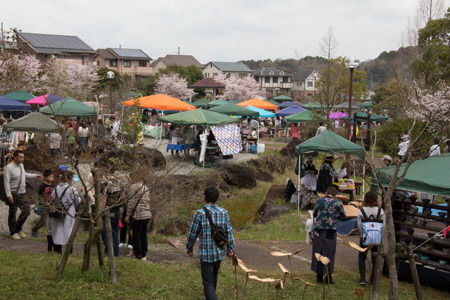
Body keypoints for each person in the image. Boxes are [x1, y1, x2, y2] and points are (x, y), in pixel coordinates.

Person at [186, 187, 235, 300]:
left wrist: (189, 248)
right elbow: (229, 232)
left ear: (204, 197)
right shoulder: (224, 212)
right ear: (217, 198)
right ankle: (211, 295)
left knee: (208, 282)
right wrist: (230, 248)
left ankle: (211, 296)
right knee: (213, 276)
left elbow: (192, 234)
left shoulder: (199, 213)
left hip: (206, 253)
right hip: (219, 251)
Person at [4, 150, 43, 239]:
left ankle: (18, 227)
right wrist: (8, 195)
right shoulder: (9, 168)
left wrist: (34, 176)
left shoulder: (21, 165)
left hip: (22, 192)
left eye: (23, 157)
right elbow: (6, 182)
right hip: (13, 192)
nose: (22, 159)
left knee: (26, 210)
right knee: (13, 212)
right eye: (21, 157)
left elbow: (23, 174)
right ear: (15, 157)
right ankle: (13, 231)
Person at [311, 186, 346, 284]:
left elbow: (314, 214)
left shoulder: (319, 201)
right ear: (335, 195)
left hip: (318, 230)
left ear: (326, 193)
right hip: (330, 231)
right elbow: (344, 216)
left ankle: (318, 275)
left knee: (318, 251)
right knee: (329, 253)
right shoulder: (338, 203)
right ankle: (328, 276)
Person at [49, 171, 81, 253]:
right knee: (68, 231)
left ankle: (57, 250)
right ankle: (68, 251)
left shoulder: (56, 188)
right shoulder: (71, 189)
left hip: (57, 211)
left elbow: (52, 198)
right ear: (69, 179)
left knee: (57, 230)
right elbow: (77, 201)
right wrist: (79, 193)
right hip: (69, 212)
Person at [357, 191, 385, 285]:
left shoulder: (362, 210)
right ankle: (373, 279)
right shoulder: (380, 211)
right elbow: (383, 225)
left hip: (365, 238)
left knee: (362, 257)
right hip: (377, 239)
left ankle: (362, 279)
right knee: (375, 259)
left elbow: (359, 225)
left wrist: (363, 234)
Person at [125, 174, 152, 261]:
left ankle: (139, 254)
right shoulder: (145, 187)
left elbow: (131, 202)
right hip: (147, 214)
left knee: (136, 235)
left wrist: (128, 214)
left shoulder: (133, 187)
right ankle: (144, 252)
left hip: (138, 215)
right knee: (143, 234)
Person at [31, 169, 55, 238]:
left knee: (52, 219)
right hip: (44, 205)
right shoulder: (42, 186)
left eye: (52, 177)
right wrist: (42, 203)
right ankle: (34, 229)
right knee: (44, 219)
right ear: (45, 178)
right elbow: (39, 196)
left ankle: (51, 232)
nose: (52, 178)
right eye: (50, 177)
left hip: (51, 205)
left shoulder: (54, 186)